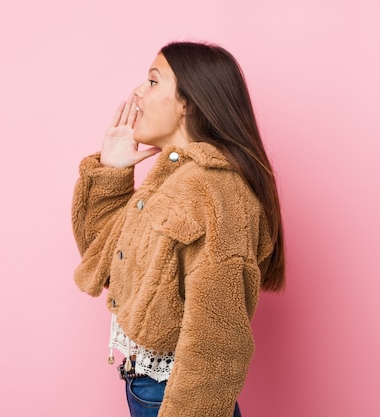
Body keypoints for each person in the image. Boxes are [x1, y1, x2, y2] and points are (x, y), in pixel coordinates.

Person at [71, 41, 285, 417]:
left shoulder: (216, 190)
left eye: (153, 82)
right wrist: (113, 171)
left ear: (187, 102)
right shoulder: (177, 177)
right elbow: (108, 261)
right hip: (147, 387)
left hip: (174, 399)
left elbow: (218, 339)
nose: (138, 91)